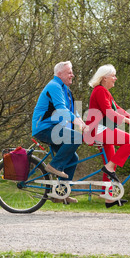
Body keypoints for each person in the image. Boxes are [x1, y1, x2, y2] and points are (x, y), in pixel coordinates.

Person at [84, 64, 130, 208]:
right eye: (113, 76)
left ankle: (108, 196)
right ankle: (108, 170)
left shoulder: (104, 91)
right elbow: (109, 113)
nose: (115, 79)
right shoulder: (99, 91)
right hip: (97, 130)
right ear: (104, 78)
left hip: (102, 129)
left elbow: (119, 110)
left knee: (111, 163)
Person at [32, 61, 88, 204]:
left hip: (54, 128)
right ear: (59, 74)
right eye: (69, 72)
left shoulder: (66, 90)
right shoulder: (54, 86)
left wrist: (82, 123)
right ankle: (54, 166)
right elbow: (62, 110)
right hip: (44, 128)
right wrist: (77, 123)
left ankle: (60, 193)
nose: (72, 75)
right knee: (75, 137)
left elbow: (72, 111)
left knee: (73, 158)